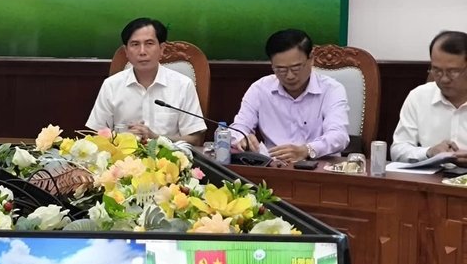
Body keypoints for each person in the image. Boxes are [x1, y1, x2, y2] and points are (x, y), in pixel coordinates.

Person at [230, 29, 350, 164]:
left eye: (296, 68)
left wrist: (306, 150)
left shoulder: (332, 90)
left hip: (319, 168)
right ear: (272, 65)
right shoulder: (260, 89)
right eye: (280, 69)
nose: (289, 76)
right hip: (273, 168)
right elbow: (238, 128)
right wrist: (242, 138)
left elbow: (339, 136)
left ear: (311, 59)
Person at [86, 17, 206, 146]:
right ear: (126, 51)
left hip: (169, 162)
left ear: (162, 49)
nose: (142, 52)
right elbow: (95, 134)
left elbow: (195, 139)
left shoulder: (183, 85)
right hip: (122, 162)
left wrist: (156, 138)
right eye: (135, 44)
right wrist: (124, 139)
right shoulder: (111, 85)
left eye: (149, 43)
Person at [392, 30, 467, 165]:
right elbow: (398, 150)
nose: (444, 79)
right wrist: (429, 152)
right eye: (436, 70)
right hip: (428, 181)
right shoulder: (419, 96)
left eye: (453, 71)